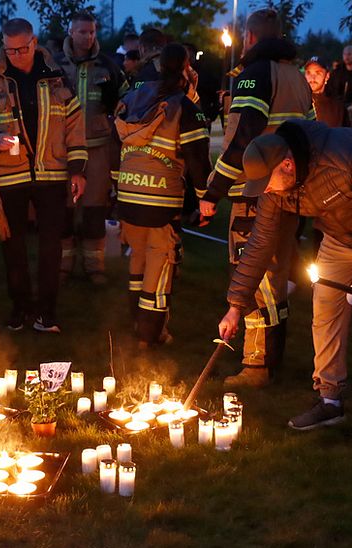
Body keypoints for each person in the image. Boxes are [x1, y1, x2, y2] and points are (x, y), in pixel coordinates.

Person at [217, 119, 352, 440]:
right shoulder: (276, 188)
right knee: (325, 314)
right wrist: (235, 305)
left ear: (286, 164)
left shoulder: (345, 154)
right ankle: (329, 398)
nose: (265, 192)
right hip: (340, 238)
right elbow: (260, 242)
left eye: (267, 183)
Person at [197, 8, 314, 388]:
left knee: (254, 274)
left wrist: (213, 192)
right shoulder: (298, 78)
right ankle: (272, 359)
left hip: (255, 192)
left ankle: (256, 365)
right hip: (290, 193)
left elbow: (244, 136)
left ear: (249, 38)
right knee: (276, 276)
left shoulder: (256, 75)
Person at [0, 18, 87, 333]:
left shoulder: (57, 78)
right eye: (10, 49)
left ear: (34, 43)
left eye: (22, 48)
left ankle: (47, 313)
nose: (16, 55)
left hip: (53, 174)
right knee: (13, 245)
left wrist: (77, 170)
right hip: (9, 176)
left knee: (51, 246)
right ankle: (20, 309)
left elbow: (75, 126)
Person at [114, 43, 210, 347]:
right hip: (161, 203)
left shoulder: (132, 99)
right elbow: (197, 159)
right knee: (160, 266)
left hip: (128, 197)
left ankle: (136, 326)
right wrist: (206, 199)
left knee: (137, 264)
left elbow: (117, 147)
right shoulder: (184, 107)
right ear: (185, 68)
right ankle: (148, 338)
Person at [55, 11, 126, 285]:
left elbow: (126, 99)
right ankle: (63, 266)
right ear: (71, 32)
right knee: (64, 209)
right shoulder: (54, 65)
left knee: (95, 208)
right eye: (82, 31)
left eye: (92, 32)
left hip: (98, 148)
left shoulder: (108, 66)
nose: (88, 36)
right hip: (62, 149)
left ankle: (94, 267)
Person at [304, 56, 341, 127]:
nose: (312, 77)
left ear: (327, 76)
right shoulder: (299, 103)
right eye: (308, 73)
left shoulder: (336, 108)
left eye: (318, 73)